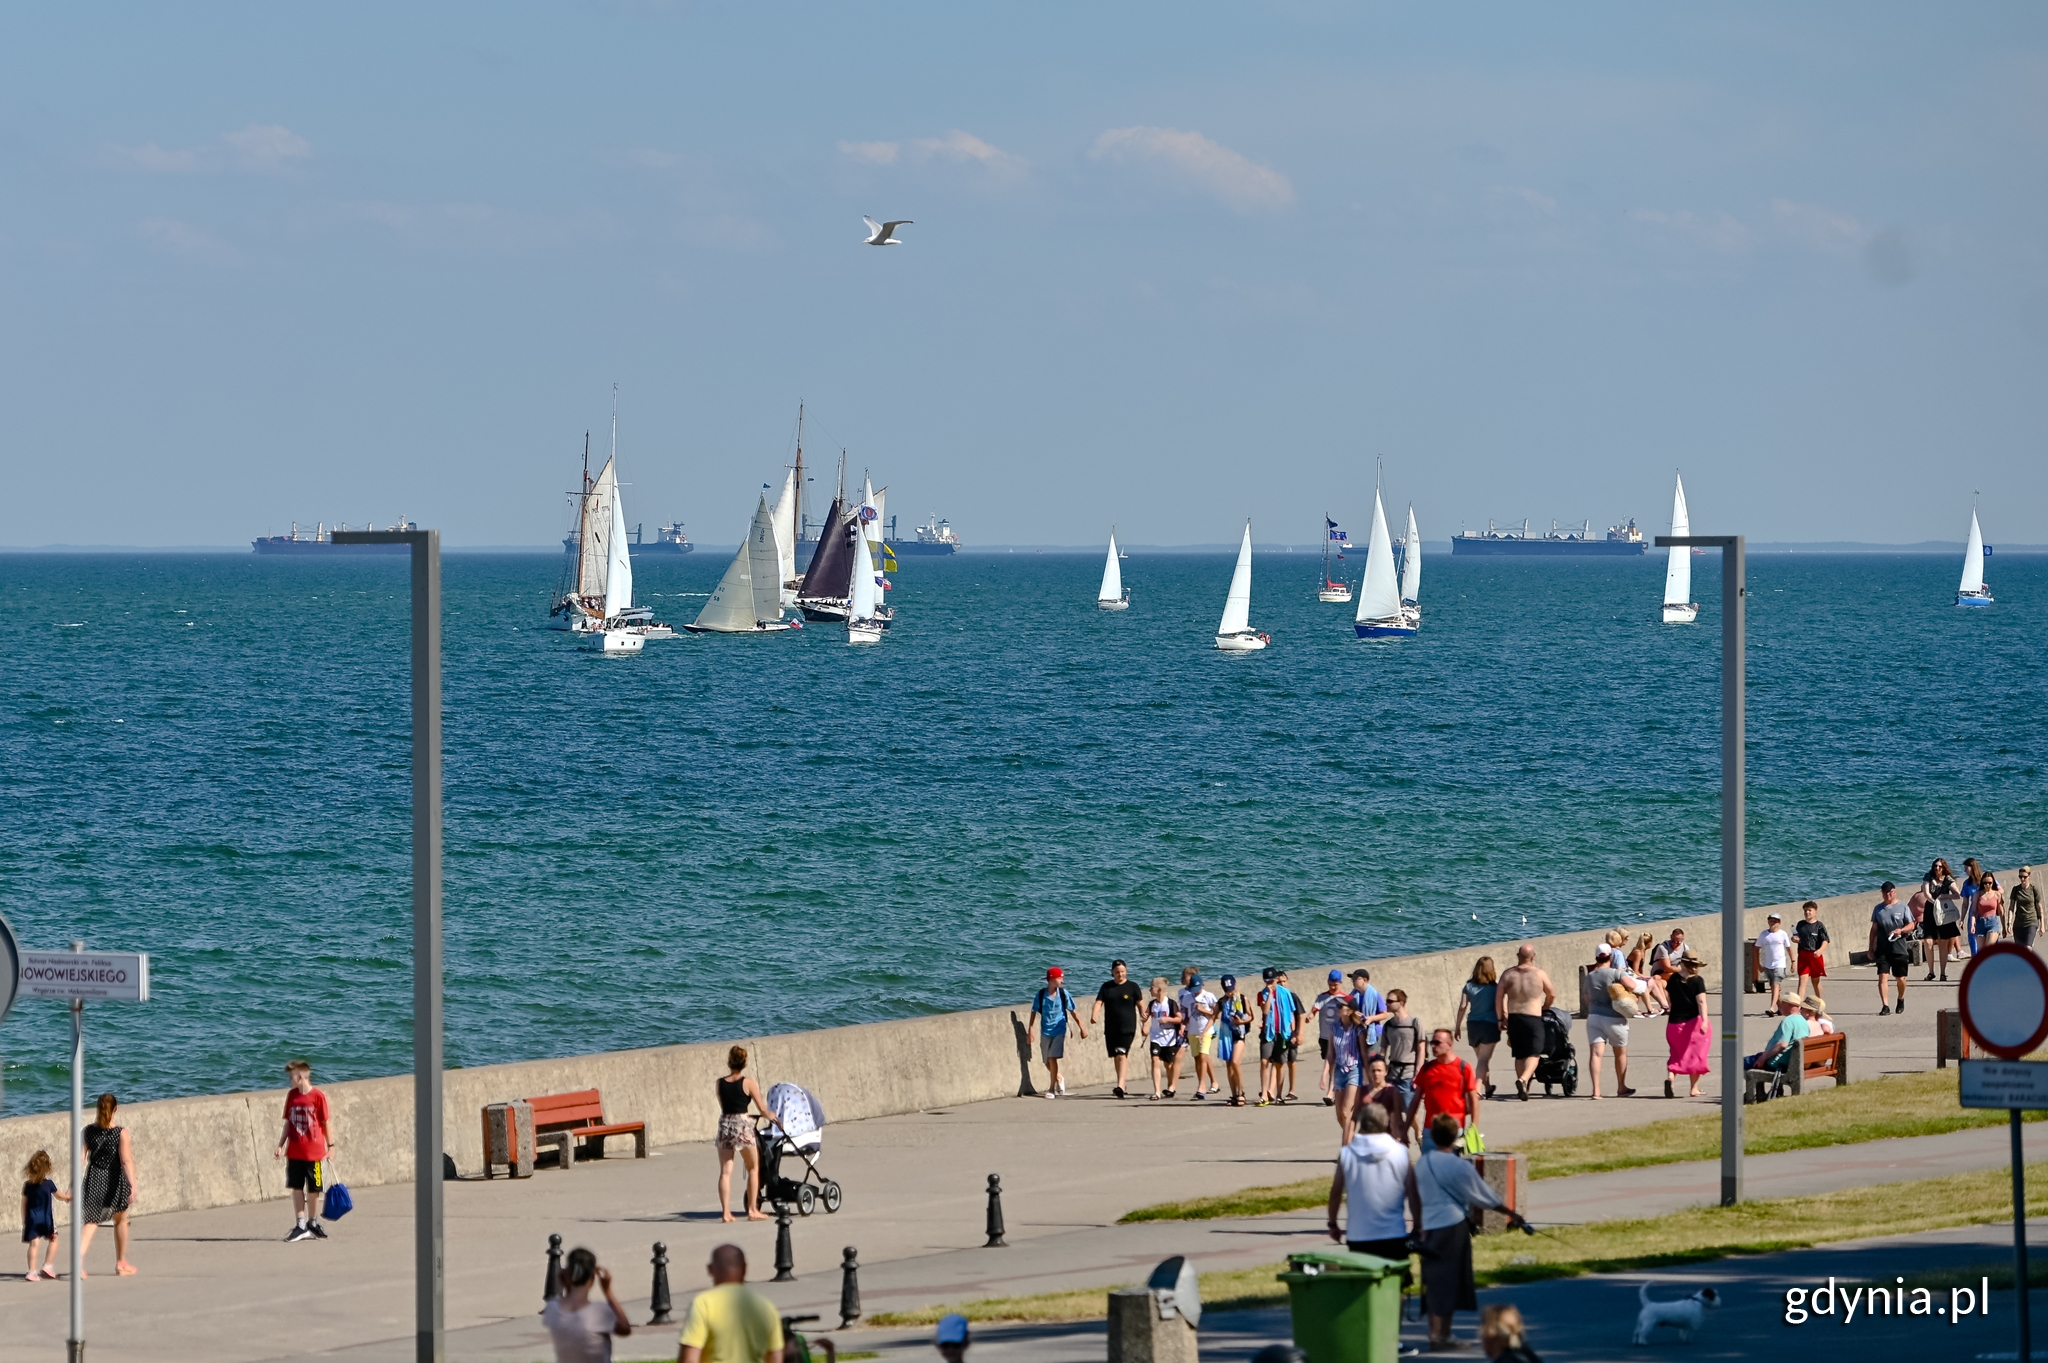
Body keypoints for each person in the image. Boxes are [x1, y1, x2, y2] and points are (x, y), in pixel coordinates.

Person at [1415, 1114, 1522, 1352]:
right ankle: (1445, 1335)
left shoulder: (1423, 1163)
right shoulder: (1458, 1165)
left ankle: (1434, 1335)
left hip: (1427, 1227)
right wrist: (1512, 1213)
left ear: (1432, 1136)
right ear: (1455, 1137)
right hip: (1452, 1227)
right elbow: (1483, 1196)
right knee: (1450, 1281)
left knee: (1432, 1282)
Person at [1325, 1102, 1415, 1263]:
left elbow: (1335, 1193)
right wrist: (1419, 1225)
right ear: (1386, 1123)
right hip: (1393, 1233)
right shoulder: (1400, 1152)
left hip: (1359, 1236)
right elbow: (1413, 1193)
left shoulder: (1347, 1154)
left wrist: (1333, 1223)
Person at [677, 1244, 784, 1363]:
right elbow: (775, 1357)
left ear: (710, 1269)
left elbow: (689, 1358)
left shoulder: (703, 1304)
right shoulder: (766, 1307)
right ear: (745, 1268)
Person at [274, 1060, 334, 1242]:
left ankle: (312, 1223)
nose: (289, 1080)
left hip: (314, 1152)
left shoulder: (318, 1096)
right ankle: (300, 1225)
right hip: (294, 1151)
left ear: (300, 1077)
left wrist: (331, 1147)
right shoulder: (291, 1096)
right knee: (296, 1187)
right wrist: (280, 1145)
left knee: (314, 1189)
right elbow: (288, 1123)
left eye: (291, 1076)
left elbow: (325, 1123)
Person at [79, 1092, 137, 1275]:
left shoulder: (87, 1131)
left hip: (94, 1179)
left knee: (91, 1221)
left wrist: (73, 1184)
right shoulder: (120, 1133)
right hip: (114, 1181)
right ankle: (121, 1262)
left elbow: (80, 1159)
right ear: (115, 1109)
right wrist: (133, 1184)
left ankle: (78, 1260)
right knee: (120, 1219)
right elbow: (126, 1161)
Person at [545, 1246, 635, 1363]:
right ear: (593, 1278)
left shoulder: (552, 1309)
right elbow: (625, 1328)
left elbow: (569, 1309)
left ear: (566, 1275)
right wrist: (607, 1291)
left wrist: (567, 1286)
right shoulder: (599, 1312)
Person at [715, 1047, 772, 1222]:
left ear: (729, 1061)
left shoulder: (720, 1083)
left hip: (725, 1124)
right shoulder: (747, 1082)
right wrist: (772, 1116)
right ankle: (752, 1210)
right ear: (744, 1063)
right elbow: (762, 1109)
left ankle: (726, 1213)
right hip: (742, 1125)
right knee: (753, 1168)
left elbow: (724, 1103)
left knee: (725, 1171)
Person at [1498, 945, 1556, 1102]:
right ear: (1533, 956)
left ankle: (1524, 1087)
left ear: (1518, 955)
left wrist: (1502, 1017)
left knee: (1519, 1054)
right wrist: (1545, 1007)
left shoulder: (1508, 974)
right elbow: (1552, 993)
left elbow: (1499, 997)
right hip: (1533, 1017)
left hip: (1514, 1017)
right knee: (1535, 1053)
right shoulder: (1539, 974)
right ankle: (1523, 1079)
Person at [1583, 946, 1637, 1099]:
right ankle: (1621, 1087)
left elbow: (1587, 998)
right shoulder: (1615, 973)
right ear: (1611, 958)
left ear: (1596, 958)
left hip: (1594, 1017)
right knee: (1620, 1053)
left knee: (1595, 1054)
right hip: (1615, 1018)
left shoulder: (1590, 976)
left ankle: (1596, 1091)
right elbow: (1632, 985)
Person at [1410, 1029, 1480, 1143]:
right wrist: (1405, 1128)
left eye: (1437, 1043)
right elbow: (1416, 1099)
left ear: (1449, 1045)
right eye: (1432, 1043)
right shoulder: (1427, 1069)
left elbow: (1474, 1099)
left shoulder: (1464, 1067)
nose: (1433, 1046)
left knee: (1454, 1161)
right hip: (1430, 1129)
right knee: (1430, 1161)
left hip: (1455, 1130)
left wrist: (1474, 1128)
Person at [1028, 968, 1086, 1099]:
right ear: (1052, 979)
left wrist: (1082, 1027)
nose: (1063, 980)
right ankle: (1059, 1077)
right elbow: (1034, 1012)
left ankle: (1051, 1089)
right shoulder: (1041, 994)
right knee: (1046, 1060)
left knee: (1052, 1058)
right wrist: (1030, 1030)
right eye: (1061, 978)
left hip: (1059, 1030)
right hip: (1045, 1030)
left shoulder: (1064, 994)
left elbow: (1073, 1012)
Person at [1091, 960, 1144, 1099]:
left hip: (1127, 1026)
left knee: (1121, 1053)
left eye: (1122, 971)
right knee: (1117, 1055)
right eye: (1117, 972)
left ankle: (1120, 1085)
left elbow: (1141, 1005)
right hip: (1111, 1027)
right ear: (1112, 973)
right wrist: (1094, 1014)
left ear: (1126, 971)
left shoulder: (1133, 987)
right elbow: (1099, 1002)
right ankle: (1122, 1083)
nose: (1120, 974)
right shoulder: (1106, 987)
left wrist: (1146, 1023)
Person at [1663, 955, 1711, 1099]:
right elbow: (1701, 1002)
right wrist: (1705, 1020)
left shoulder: (1673, 979)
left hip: (1674, 1024)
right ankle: (1694, 1088)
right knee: (1696, 1055)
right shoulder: (1697, 981)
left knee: (1676, 1054)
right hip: (1692, 1023)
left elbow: (1669, 997)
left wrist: (1671, 1007)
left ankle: (1670, 1079)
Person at [1454, 957, 1501, 1099]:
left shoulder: (1468, 986)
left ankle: (1488, 1087)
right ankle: (1477, 1088)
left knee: (1481, 1059)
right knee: (1483, 1060)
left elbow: (1463, 1007)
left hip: (1473, 1024)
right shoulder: (1495, 987)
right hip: (1489, 1024)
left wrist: (1457, 1026)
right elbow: (1500, 1007)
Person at [21, 1149, 69, 1282]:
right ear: (47, 1168)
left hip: (32, 1219)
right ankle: (48, 1265)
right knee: (54, 1239)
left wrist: (24, 1219)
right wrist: (68, 1197)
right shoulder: (49, 1184)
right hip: (46, 1220)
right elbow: (60, 1196)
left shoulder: (28, 1185)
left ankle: (31, 1272)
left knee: (34, 1244)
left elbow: (24, 1204)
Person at [1258, 969, 1303, 1105]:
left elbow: (1292, 1013)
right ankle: (1264, 1093)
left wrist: (1295, 1032)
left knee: (1279, 1064)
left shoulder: (1286, 993)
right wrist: (1270, 994)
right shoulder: (1262, 994)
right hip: (1268, 1033)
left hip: (1283, 1033)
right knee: (1264, 1061)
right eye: (1267, 981)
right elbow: (1265, 1011)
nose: (1270, 983)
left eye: (1272, 981)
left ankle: (1279, 1094)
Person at [1870, 881, 1914, 1014]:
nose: (1888, 895)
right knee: (1883, 976)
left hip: (1899, 948)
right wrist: (1871, 948)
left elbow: (1911, 925)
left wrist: (1901, 930)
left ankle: (1901, 999)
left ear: (1894, 892)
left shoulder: (1903, 907)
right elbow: (1874, 930)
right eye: (1885, 893)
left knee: (1900, 978)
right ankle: (1885, 1006)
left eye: (1890, 892)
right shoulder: (1878, 909)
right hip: (1883, 949)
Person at [1327, 997, 1366, 1142]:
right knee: (1339, 1115)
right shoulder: (1334, 1027)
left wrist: (1369, 1074)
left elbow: (1363, 1053)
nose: (1338, 1008)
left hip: (1354, 1070)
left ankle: (1348, 1147)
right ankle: (1356, 1140)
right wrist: (1325, 1074)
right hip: (1339, 1070)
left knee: (1346, 1110)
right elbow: (1330, 1054)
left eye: (1341, 1006)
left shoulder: (1358, 1029)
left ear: (1349, 1010)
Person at [1746, 992, 1811, 1074]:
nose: (1780, 1006)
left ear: (1790, 1005)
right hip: (1793, 1061)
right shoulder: (1803, 1021)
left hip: (1777, 1063)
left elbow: (1783, 1044)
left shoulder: (1788, 1021)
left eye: (1783, 1003)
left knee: (1739, 1063)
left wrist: (1764, 1057)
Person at [1216, 974, 1255, 1106]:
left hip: (1239, 1034)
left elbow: (1251, 1016)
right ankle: (1233, 1095)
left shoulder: (1242, 998)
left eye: (1231, 989)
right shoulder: (1222, 1001)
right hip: (1226, 1035)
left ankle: (1241, 1093)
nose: (1230, 992)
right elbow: (1213, 1016)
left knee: (1235, 1062)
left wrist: (1242, 1021)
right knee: (1229, 1065)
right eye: (1227, 990)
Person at [1923, 858, 1964, 981]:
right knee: (1928, 941)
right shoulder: (1928, 877)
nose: (1937, 868)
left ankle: (1942, 972)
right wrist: (1935, 902)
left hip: (1944, 912)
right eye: (1935, 866)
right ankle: (1931, 971)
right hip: (1931, 911)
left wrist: (1945, 896)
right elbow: (1926, 893)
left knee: (1943, 942)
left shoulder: (1948, 879)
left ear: (1944, 867)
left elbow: (1957, 894)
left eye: (1940, 866)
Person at [1378, 991, 1422, 1102]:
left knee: (1410, 1113)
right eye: (1386, 1001)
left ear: (1401, 1003)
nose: (1386, 1004)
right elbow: (1383, 1051)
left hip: (1409, 1074)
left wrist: (1418, 1073)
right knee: (1391, 1112)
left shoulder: (1414, 1023)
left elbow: (1421, 1049)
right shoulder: (1388, 1025)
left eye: (1390, 1001)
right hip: (1392, 1075)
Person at [1146, 976, 1185, 1100]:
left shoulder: (1170, 1003)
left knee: (1169, 1064)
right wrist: (1143, 1019)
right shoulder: (1152, 1004)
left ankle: (1170, 1087)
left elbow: (1179, 1018)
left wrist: (1168, 1019)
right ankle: (1156, 1091)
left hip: (1169, 1038)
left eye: (1151, 987)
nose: (1149, 990)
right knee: (1155, 1060)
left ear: (1159, 989)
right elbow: (1146, 1016)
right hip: (1155, 1037)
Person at [1314, 969, 1348, 1103]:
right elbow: (1315, 1008)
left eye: (1336, 984)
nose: (1333, 987)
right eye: (1331, 984)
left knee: (1333, 1062)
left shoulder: (1345, 998)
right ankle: (1334, 1090)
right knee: (1331, 1064)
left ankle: (1330, 1092)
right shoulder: (1322, 997)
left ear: (1341, 983)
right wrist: (1310, 1016)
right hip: (1324, 1036)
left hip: (1339, 1036)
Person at [1184, 975, 1219, 1099]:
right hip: (1192, 1031)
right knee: (1197, 1058)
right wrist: (1183, 1027)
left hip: (1206, 1030)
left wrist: (1203, 1010)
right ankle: (1201, 1084)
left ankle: (1202, 1086)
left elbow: (1215, 1015)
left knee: (1204, 1056)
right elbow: (1186, 1015)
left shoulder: (1209, 996)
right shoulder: (1187, 997)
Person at [1359, 1054, 1408, 1141]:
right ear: (1369, 1072)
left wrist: (1401, 1138)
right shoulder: (1362, 1091)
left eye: (1379, 1070)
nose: (1376, 1074)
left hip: (1387, 1138)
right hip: (1366, 1138)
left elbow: (1397, 1118)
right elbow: (1354, 1117)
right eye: (1373, 1071)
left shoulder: (1392, 1091)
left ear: (1386, 1071)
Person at [1754, 913, 1792, 1015]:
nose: (1772, 923)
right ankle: (1781, 1008)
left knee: (1775, 985)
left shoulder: (1783, 934)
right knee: (1774, 988)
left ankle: (1771, 1008)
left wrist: (1793, 962)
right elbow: (1756, 949)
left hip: (1780, 964)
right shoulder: (1764, 935)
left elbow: (1789, 948)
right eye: (1771, 921)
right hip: (1768, 965)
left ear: (1779, 923)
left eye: (1775, 921)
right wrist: (1758, 964)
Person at [1793, 901, 1830, 1000]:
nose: (1807, 912)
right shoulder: (1800, 924)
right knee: (1802, 980)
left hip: (1815, 955)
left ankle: (1820, 1003)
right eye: (1805, 910)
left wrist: (1820, 951)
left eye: (1810, 910)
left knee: (1815, 981)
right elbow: (1796, 937)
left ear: (1815, 912)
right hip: (1803, 955)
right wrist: (1795, 939)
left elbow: (1825, 940)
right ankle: (1799, 1005)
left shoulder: (1819, 925)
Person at [2013, 867, 2042, 950]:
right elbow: (2011, 907)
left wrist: (2042, 924)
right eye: (2020, 877)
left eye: (2024, 877)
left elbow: (2039, 907)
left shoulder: (2033, 889)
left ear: (2029, 876)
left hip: (2031, 921)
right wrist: (2009, 923)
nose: (2022, 879)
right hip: (2018, 924)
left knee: (2028, 948)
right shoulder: (2016, 889)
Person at [1977, 873, 2006, 950]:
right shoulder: (1978, 894)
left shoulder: (1997, 894)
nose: (1987, 885)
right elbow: (1974, 911)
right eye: (1985, 883)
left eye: (1990, 883)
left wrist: (2004, 928)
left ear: (1993, 883)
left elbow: (2001, 912)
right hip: (1980, 923)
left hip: (1993, 923)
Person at [1964, 857, 1985, 958]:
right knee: (1973, 941)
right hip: (1973, 914)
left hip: (1986, 914)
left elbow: (1999, 890)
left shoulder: (1985, 880)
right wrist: (1962, 919)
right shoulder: (1967, 884)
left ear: (1972, 867)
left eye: (1966, 868)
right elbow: (1965, 903)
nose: (1964, 870)